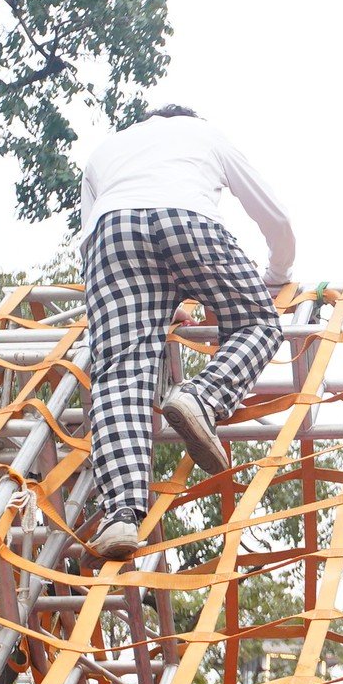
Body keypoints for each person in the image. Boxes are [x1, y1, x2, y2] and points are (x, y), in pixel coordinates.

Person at [80, 104, 295, 559]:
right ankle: (203, 396)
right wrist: (275, 275)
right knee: (258, 322)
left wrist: (159, 305)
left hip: (111, 234)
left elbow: (90, 236)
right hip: (188, 219)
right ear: (188, 118)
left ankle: (120, 517)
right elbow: (275, 219)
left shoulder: (105, 151)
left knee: (120, 374)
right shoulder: (205, 135)